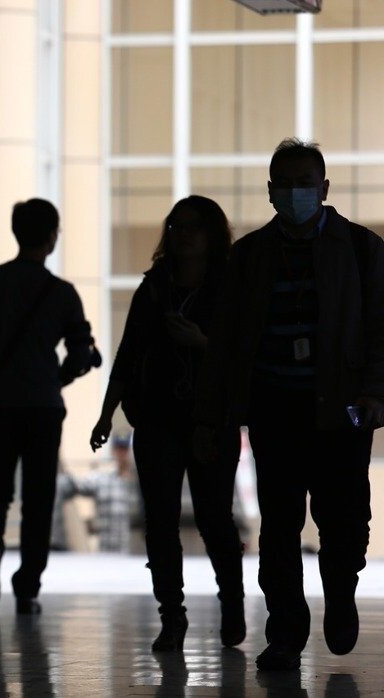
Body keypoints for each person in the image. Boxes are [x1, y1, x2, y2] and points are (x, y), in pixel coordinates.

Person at [193, 139, 384, 671]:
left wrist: (375, 392)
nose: (298, 193)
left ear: (323, 190)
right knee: (278, 528)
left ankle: (340, 595)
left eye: (307, 183)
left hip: (341, 414)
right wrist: (214, 416)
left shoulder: (362, 250)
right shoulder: (249, 257)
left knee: (344, 523)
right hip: (275, 410)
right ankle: (285, 631)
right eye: (287, 183)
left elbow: (380, 332)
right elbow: (225, 343)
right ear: (272, 192)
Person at [90, 195, 246, 653]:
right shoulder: (156, 286)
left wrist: (202, 342)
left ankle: (231, 603)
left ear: (212, 233)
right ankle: (171, 614)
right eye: (177, 227)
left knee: (215, 518)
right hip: (157, 418)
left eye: (194, 227)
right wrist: (106, 412)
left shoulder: (230, 286)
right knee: (160, 522)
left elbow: (243, 354)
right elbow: (127, 353)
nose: (184, 235)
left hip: (212, 418)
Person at [0, 198, 95, 615]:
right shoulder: (62, 294)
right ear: (51, 237)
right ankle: (27, 585)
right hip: (43, 408)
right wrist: (57, 376)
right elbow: (81, 351)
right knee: (40, 496)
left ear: (16, 231)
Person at [56, 434, 138, 553]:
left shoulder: (138, 485)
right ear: (114, 452)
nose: (122, 454)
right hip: (106, 551)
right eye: (119, 449)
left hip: (132, 554)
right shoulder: (103, 480)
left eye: (125, 449)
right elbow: (77, 484)